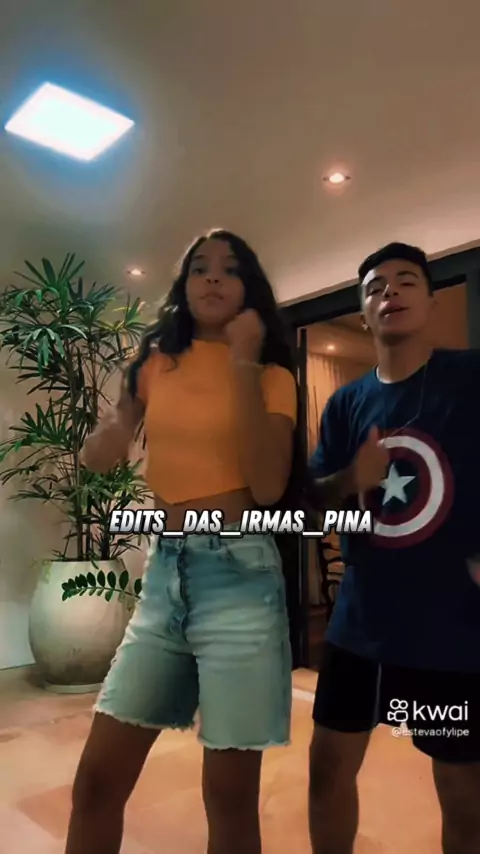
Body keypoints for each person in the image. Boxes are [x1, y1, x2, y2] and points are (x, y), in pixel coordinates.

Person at [65, 229, 299, 854]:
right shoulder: (155, 363)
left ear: (249, 288)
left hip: (240, 580)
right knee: (96, 782)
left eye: (230, 269)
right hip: (165, 577)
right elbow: (96, 457)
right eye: (200, 268)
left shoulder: (273, 374)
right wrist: (116, 421)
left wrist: (243, 365)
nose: (213, 277)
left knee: (228, 800)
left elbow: (269, 485)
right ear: (184, 285)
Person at [308, 242, 480, 854]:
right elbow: (314, 503)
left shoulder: (471, 377)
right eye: (375, 288)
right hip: (361, 624)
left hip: (449, 632)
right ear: (364, 314)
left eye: (406, 281)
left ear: (431, 300)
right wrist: (350, 479)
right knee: (327, 770)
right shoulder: (346, 403)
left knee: (461, 789)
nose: (390, 293)